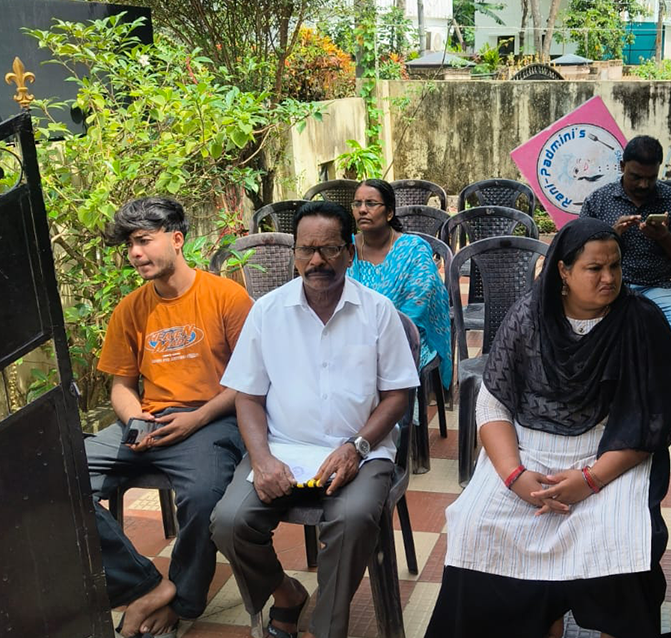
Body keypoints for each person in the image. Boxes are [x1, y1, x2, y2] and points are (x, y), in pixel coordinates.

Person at [424, 218, 671, 638]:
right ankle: (538, 621)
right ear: (563, 270)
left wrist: (590, 480)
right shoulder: (529, 315)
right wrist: (515, 476)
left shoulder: (642, 321)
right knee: (475, 525)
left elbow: (652, 421)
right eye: (594, 268)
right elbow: (493, 402)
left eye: (615, 266)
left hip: (610, 450)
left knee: (620, 538)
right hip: (527, 448)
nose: (609, 278)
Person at [210, 201, 420, 638]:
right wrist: (262, 459)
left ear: (350, 253)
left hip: (360, 449)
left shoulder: (378, 311)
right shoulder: (267, 311)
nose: (316, 261)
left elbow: (398, 395)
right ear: (294, 255)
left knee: (353, 518)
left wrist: (357, 446)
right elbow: (248, 396)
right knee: (230, 522)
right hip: (282, 446)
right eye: (306, 250)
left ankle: (327, 628)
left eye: (329, 249)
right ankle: (286, 594)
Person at [86, 196, 253, 638]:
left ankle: (183, 601)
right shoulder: (130, 309)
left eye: (144, 241)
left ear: (177, 239)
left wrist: (196, 419)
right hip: (148, 421)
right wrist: (135, 419)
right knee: (57, 481)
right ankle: (145, 586)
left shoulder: (226, 297)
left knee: (202, 497)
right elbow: (121, 385)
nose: (135, 253)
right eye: (130, 245)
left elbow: (251, 382)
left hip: (211, 420)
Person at [580, 135, 671, 360]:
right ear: (622, 166)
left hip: (658, 286)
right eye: (636, 177)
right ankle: (607, 374)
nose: (644, 185)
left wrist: (664, 236)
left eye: (651, 178)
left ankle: (656, 374)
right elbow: (580, 253)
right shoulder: (598, 200)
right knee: (584, 321)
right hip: (609, 284)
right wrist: (612, 236)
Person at [347, 178, 452, 389]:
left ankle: (396, 408)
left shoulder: (413, 250)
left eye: (371, 203)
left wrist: (378, 338)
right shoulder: (345, 248)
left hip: (406, 339)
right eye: (357, 204)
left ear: (389, 213)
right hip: (351, 338)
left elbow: (417, 306)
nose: (362, 210)